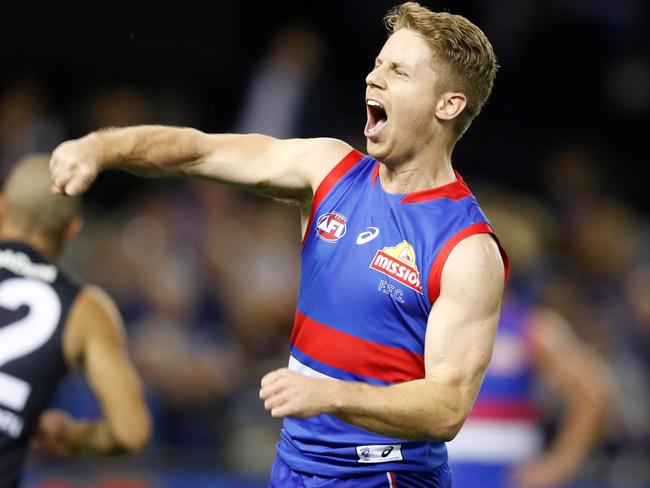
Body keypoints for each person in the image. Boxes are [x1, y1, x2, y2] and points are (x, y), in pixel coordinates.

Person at [49, 3, 507, 486]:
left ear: (448, 105)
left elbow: (447, 406)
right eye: (377, 63)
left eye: (398, 71)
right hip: (294, 467)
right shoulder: (327, 170)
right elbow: (199, 151)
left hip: (385, 475)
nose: (374, 79)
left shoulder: (467, 248)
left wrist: (333, 396)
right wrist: (102, 147)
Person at [0, 155, 151, 487]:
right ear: (71, 230)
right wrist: (71, 435)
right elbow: (130, 431)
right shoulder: (84, 308)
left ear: (1, 209)